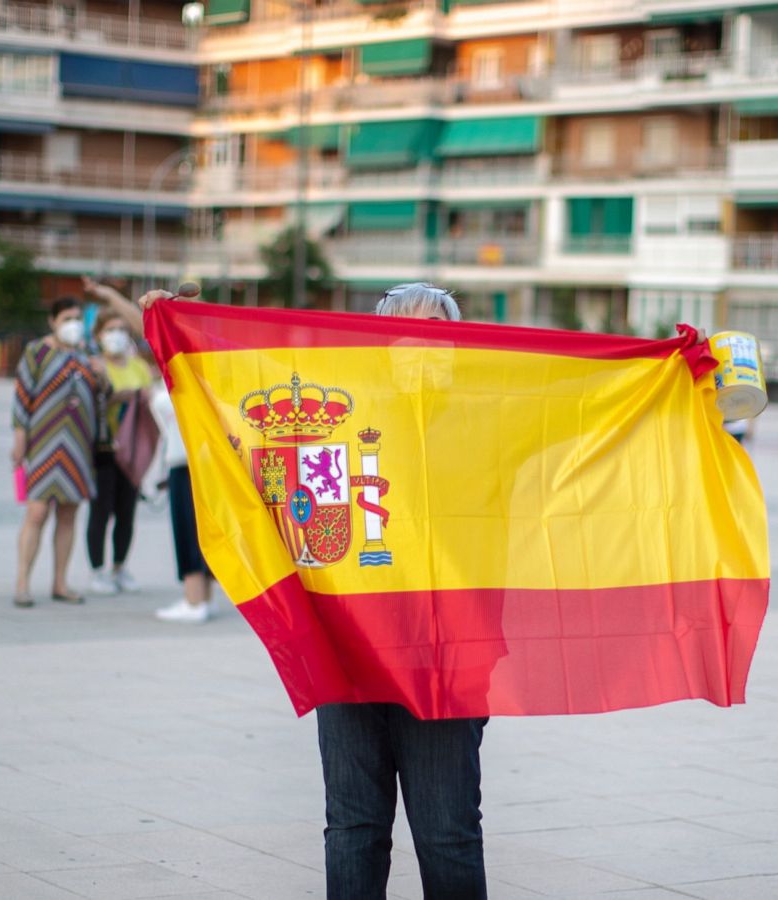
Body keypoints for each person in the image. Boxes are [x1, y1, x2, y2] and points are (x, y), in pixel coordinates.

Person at [140, 282, 489, 898]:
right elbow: (232, 412)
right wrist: (180, 328)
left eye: (432, 330)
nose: (415, 345)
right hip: (347, 650)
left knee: (447, 833)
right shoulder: (342, 419)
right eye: (398, 332)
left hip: (445, 656)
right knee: (353, 827)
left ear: (457, 344)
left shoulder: (490, 422)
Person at [11, 297, 100, 607]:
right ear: (52, 321)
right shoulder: (37, 352)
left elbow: (103, 396)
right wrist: (19, 437)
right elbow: (22, 396)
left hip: (78, 445)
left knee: (69, 513)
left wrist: (101, 374)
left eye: (77, 318)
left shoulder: (87, 356)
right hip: (44, 442)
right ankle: (23, 582)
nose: (73, 323)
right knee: (37, 512)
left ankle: (60, 582)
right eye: (66, 318)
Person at [85, 313, 155, 596]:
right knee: (101, 510)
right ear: (99, 335)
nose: (117, 334)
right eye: (111, 329)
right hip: (102, 448)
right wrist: (121, 395)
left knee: (127, 510)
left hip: (133, 449)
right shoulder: (94, 366)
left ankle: (119, 566)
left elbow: (151, 397)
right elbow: (92, 399)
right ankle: (98, 570)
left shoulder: (139, 366)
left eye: (122, 330)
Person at [149, 378, 218, 623]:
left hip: (186, 462)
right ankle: (204, 598)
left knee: (188, 530)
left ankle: (194, 600)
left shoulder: (182, 376)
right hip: (207, 463)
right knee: (203, 531)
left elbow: (163, 403)